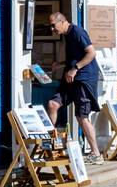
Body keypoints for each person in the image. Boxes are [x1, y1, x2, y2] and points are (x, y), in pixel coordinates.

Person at [44, 11, 103, 163]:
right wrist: (62, 65)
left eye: (53, 26)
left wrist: (75, 68)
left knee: (81, 116)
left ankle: (96, 154)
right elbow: (76, 57)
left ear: (62, 21)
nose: (52, 29)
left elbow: (91, 53)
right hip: (71, 78)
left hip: (83, 78)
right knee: (52, 104)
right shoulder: (67, 35)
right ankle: (50, 144)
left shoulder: (77, 32)